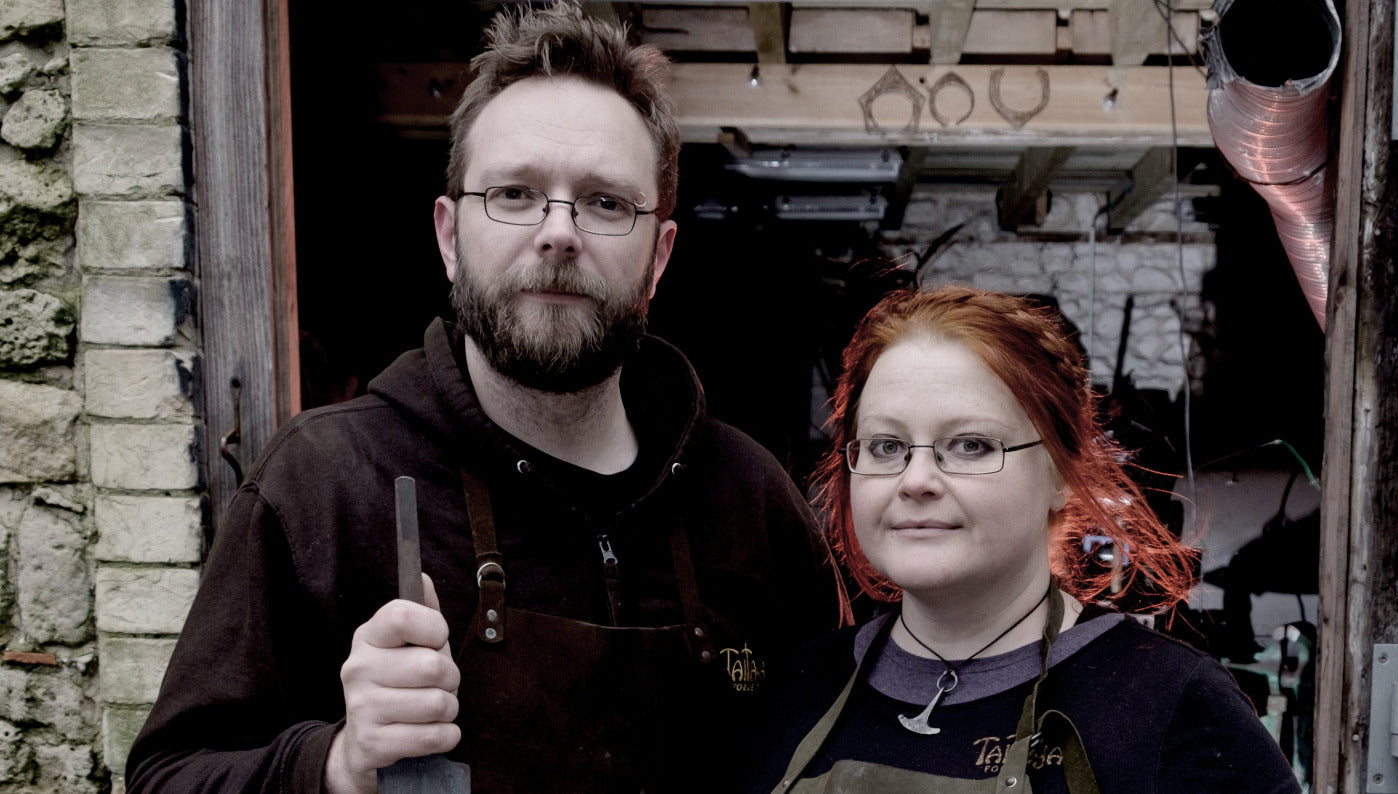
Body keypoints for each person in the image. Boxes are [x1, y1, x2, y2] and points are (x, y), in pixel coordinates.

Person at [126, 5, 838, 792]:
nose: (559, 232)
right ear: (449, 237)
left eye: (606, 202)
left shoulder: (752, 501)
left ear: (659, 256)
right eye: (515, 193)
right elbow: (170, 776)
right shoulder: (323, 484)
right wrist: (336, 764)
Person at [751, 285, 1301, 793]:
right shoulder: (794, 691)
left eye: (971, 445)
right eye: (886, 446)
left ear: (1060, 473)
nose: (915, 480)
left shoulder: (1173, 710)